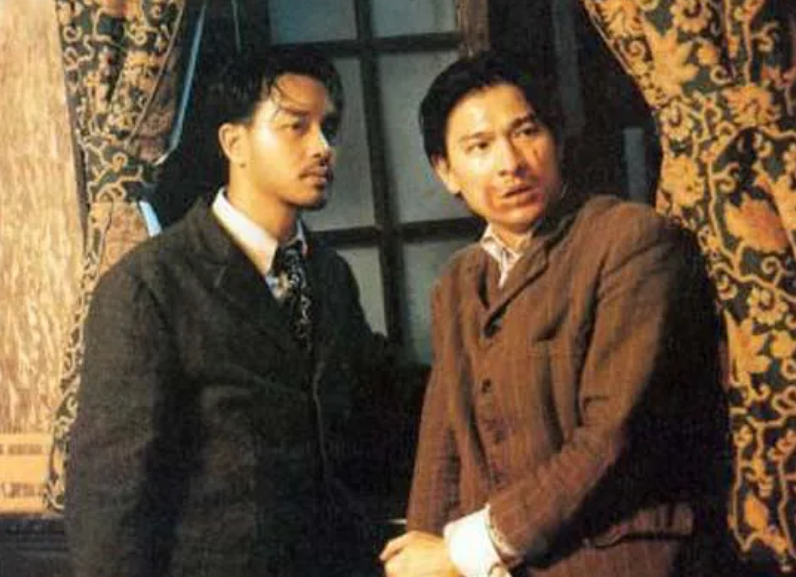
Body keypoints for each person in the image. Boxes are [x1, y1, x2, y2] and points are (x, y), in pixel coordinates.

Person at [380, 51, 729, 577]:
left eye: (526, 132)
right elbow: (442, 446)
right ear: (446, 171)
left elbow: (613, 435)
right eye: (479, 146)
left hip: (620, 563)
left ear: (557, 139)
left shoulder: (631, 241)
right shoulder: (457, 282)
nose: (511, 163)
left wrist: (464, 551)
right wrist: (424, 552)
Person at [66, 47, 397, 577]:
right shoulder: (150, 284)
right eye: (296, 126)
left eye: (329, 128)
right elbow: (110, 501)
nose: (322, 147)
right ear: (234, 142)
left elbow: (374, 405)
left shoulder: (330, 274)